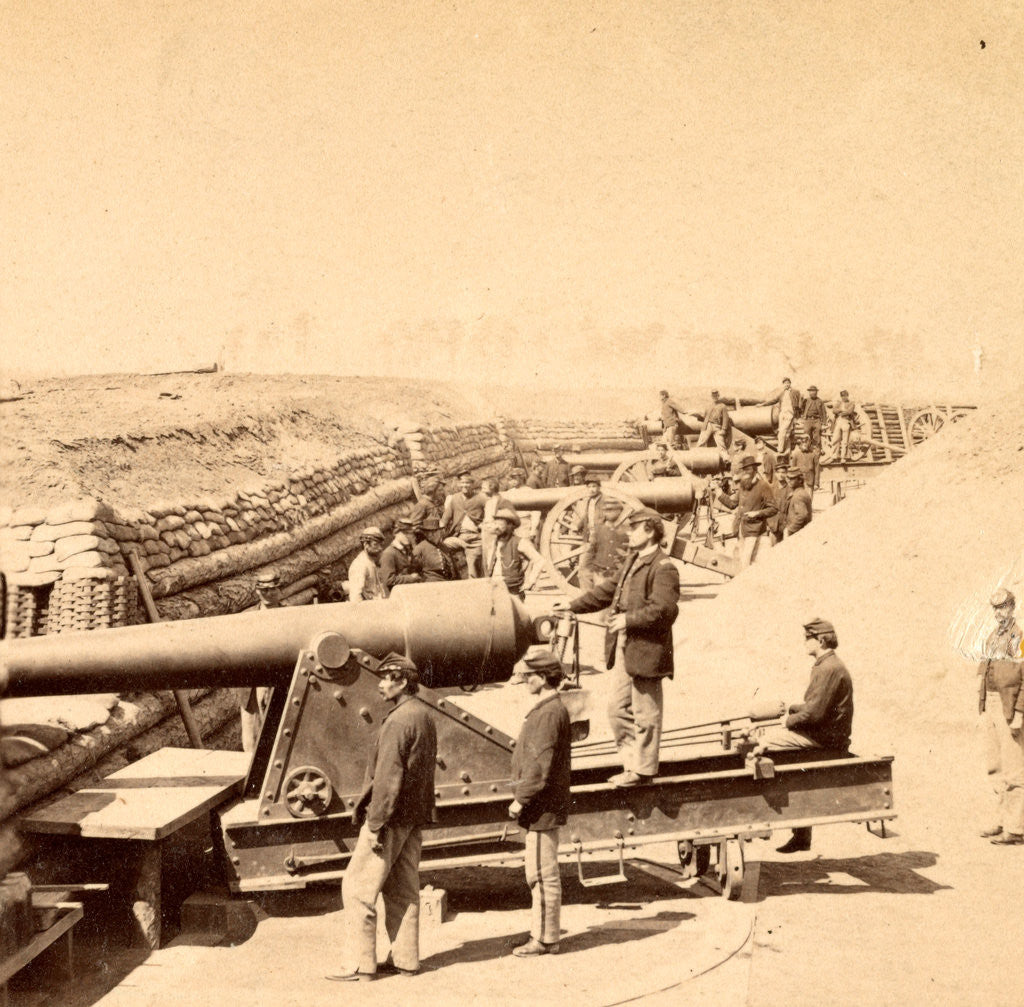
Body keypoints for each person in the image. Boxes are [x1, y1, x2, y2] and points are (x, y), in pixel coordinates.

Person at [328, 654, 437, 982]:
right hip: (411, 819)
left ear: (403, 681)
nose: (380, 683)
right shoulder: (422, 715)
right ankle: (406, 961)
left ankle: (360, 966)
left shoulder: (398, 721)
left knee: (357, 888)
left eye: (387, 678)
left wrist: (375, 825)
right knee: (403, 890)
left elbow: (388, 780)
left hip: (388, 821)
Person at [559, 507, 680, 786]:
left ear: (650, 531)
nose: (628, 532)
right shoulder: (632, 561)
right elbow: (605, 592)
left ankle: (644, 771)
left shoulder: (664, 567)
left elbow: (664, 610)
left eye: (634, 528)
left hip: (648, 650)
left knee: (646, 713)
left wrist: (628, 620)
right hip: (627, 646)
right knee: (616, 709)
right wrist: (572, 605)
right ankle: (631, 765)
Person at [753, 618, 853, 853]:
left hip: (824, 738)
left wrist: (789, 720)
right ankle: (801, 835)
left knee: (764, 743)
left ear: (820, 639)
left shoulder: (829, 669)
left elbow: (815, 714)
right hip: (824, 733)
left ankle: (766, 819)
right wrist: (795, 709)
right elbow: (815, 706)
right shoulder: (828, 665)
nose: (804, 643)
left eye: (807, 638)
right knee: (786, 758)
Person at [508, 648, 572, 957]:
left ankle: (546, 939)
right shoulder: (548, 708)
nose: (524, 682)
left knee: (541, 874)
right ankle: (545, 934)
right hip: (543, 806)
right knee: (541, 872)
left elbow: (539, 764)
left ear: (544, 678)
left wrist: (521, 799)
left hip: (541, 808)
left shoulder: (548, 712)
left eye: (529, 677)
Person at [976, 588, 1024, 845]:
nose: (999, 612)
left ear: (1013, 608)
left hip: (1009, 708)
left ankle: (1015, 829)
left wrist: (1019, 713)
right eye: (995, 608)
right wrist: (982, 707)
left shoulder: (1021, 638)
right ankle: (1001, 820)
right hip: (992, 706)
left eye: (1004, 607)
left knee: (1015, 769)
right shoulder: (993, 636)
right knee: (995, 766)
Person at [239, 569, 284, 752]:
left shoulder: (289, 616)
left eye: (272, 590)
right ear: (257, 591)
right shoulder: (248, 617)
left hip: (276, 682)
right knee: (250, 734)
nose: (268, 594)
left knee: (275, 733)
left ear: (280, 590)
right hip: (251, 684)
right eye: (263, 590)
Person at [715, 454, 778, 567]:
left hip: (754, 530)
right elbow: (732, 504)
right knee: (741, 559)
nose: (746, 472)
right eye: (744, 470)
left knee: (745, 562)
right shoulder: (743, 485)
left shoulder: (763, 486)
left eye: (748, 469)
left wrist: (757, 513)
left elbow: (773, 509)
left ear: (755, 470)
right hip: (741, 529)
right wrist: (719, 493)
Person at [487, 507, 542, 600]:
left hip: (513, 592)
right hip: (495, 589)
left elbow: (539, 560)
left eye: (500, 524)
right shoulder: (494, 543)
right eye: (495, 523)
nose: (496, 527)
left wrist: (530, 581)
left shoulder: (520, 542)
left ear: (510, 525)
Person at [578, 497, 630, 591]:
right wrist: (585, 568)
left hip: (617, 571)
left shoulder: (627, 530)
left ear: (620, 511)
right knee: (586, 577)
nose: (609, 513)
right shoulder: (599, 529)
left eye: (613, 510)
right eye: (607, 510)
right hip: (599, 570)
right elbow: (591, 550)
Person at [379, 517, 423, 595]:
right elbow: (388, 580)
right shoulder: (389, 553)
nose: (409, 536)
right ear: (396, 533)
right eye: (405, 533)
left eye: (410, 533)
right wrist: (411, 578)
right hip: (395, 596)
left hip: (407, 593)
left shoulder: (407, 551)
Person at [759, 377, 802, 455]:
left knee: (782, 431)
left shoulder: (795, 392)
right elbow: (773, 400)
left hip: (790, 413)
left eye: (788, 383)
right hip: (782, 414)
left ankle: (780, 450)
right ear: (783, 384)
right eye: (785, 383)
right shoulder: (781, 393)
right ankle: (788, 450)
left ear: (790, 383)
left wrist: (797, 416)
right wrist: (762, 405)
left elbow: (800, 403)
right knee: (786, 432)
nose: (786, 384)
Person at [412, 517, 459, 582]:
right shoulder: (420, 548)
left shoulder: (444, 547)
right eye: (427, 532)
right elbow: (414, 570)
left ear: (439, 531)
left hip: (448, 581)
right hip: (431, 584)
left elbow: (453, 568)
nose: (430, 535)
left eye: (434, 531)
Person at [348, 526, 387, 603]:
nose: (380, 548)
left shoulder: (370, 561)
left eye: (380, 545)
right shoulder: (360, 565)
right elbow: (356, 597)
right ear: (366, 545)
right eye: (375, 544)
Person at [440, 472, 476, 539]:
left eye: (467, 483)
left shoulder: (480, 498)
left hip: (475, 534)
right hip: (457, 534)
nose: (464, 485)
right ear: (459, 484)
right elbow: (445, 519)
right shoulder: (454, 498)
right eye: (462, 482)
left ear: (473, 484)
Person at [783, 470, 813, 537]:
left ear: (800, 480)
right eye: (789, 478)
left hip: (798, 533)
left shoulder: (799, 495)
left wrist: (790, 529)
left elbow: (802, 515)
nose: (789, 481)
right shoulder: (800, 492)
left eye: (792, 479)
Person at [829, 390, 857, 462]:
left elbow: (849, 412)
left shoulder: (851, 403)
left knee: (845, 440)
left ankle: (843, 457)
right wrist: (841, 410)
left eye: (845, 396)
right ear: (841, 397)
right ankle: (833, 456)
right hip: (838, 421)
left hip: (846, 421)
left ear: (847, 396)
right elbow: (834, 410)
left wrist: (840, 411)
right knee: (836, 438)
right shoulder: (838, 403)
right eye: (842, 396)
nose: (844, 397)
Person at [801, 386, 828, 450]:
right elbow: (801, 408)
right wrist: (801, 400)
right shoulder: (806, 400)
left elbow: (824, 412)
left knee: (817, 433)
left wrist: (824, 422)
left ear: (816, 392)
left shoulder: (820, 401)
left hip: (817, 420)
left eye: (814, 391)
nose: (812, 393)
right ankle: (806, 448)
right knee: (806, 433)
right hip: (808, 420)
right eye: (810, 391)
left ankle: (816, 449)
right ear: (809, 392)